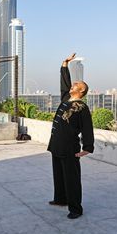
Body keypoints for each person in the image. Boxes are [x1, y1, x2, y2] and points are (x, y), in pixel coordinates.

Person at [47, 53, 95, 219]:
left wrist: (87, 148)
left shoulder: (82, 107)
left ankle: (75, 209)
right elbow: (64, 84)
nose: (73, 84)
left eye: (76, 84)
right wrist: (64, 64)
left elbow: (88, 128)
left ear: (81, 91)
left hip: (70, 148)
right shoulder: (67, 98)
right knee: (58, 174)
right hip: (57, 145)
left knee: (72, 179)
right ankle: (61, 199)